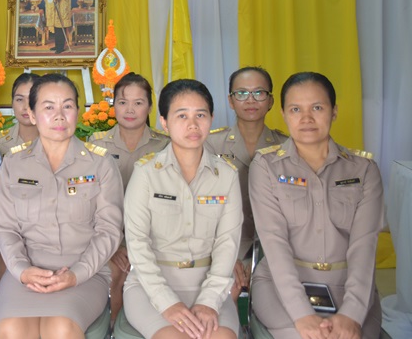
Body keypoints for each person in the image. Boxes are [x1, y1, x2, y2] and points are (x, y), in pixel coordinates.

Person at [249, 72, 383, 339]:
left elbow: (364, 246)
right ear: (284, 114)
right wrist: (302, 315)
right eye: (296, 109)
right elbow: (274, 244)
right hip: (280, 287)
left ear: (334, 111)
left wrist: (352, 314)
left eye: (317, 108)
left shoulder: (364, 169)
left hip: (348, 288)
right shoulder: (266, 167)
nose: (306, 118)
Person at [0, 74, 124, 339]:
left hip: (84, 274)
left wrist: (76, 274)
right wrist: (22, 271)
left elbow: (109, 231)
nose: (59, 116)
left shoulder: (100, 164)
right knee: (12, 330)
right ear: (32, 114)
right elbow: (5, 229)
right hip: (25, 273)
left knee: (60, 328)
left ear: (78, 111)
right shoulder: (13, 164)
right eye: (48, 107)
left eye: (67, 106)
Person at [124, 79, 242, 339]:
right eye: (181, 116)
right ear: (164, 122)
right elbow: (137, 244)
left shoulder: (226, 175)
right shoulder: (146, 173)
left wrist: (209, 301)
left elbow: (228, 243)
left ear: (211, 118)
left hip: (210, 285)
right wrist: (167, 303)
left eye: (200, 115)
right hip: (150, 285)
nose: (193, 125)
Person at [89, 72, 170, 324]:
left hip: (153, 238)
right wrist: (113, 247)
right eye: (123, 102)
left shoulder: (165, 146)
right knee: (114, 274)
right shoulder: (96, 144)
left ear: (150, 107)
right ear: (113, 105)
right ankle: (114, 328)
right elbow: (89, 203)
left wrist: (137, 247)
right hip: (107, 237)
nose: (130, 110)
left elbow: (168, 204)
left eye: (138, 102)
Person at [206, 66, 287, 298]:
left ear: (270, 101)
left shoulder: (286, 146)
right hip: (224, 244)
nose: (250, 100)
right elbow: (204, 207)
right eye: (241, 93)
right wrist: (225, 257)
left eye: (259, 93)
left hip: (274, 248)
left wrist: (264, 261)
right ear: (231, 101)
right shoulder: (210, 144)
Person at [0, 72, 40, 156]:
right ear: (12, 103)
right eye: (20, 100)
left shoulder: (57, 140)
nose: (26, 107)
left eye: (32, 99)